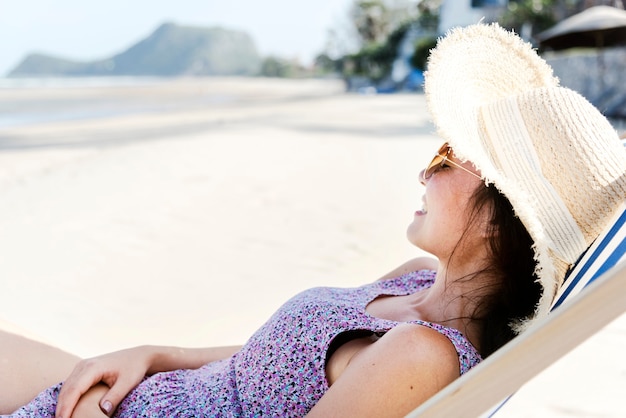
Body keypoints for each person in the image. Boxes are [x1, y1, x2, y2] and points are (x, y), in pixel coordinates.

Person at [2, 23, 626, 417]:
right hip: (142, 390)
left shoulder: (422, 355)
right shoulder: (415, 283)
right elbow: (270, 362)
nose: (422, 173)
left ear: (500, 218)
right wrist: (156, 352)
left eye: (446, 159)